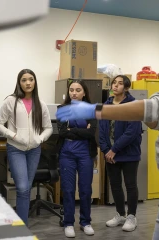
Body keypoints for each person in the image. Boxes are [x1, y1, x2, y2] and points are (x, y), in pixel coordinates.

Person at [56, 14, 159, 240]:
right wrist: (144, 113)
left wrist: (93, 110)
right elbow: (158, 119)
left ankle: (127, 215)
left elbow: (157, 107)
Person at [0, 69, 53, 226]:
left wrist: (40, 139)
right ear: (19, 83)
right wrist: (13, 135)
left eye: (31, 79)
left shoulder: (40, 104)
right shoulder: (10, 101)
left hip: (34, 150)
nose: (28, 83)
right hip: (16, 149)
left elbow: (48, 128)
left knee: (26, 188)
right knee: (22, 188)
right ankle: (22, 227)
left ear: (35, 82)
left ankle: (23, 225)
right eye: (24, 80)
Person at [99, 75, 142, 232]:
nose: (115, 86)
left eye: (119, 83)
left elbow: (132, 131)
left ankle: (132, 217)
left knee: (130, 185)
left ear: (126, 88)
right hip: (110, 154)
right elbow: (101, 130)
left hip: (128, 153)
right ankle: (120, 214)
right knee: (115, 185)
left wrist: (114, 149)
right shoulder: (106, 105)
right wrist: (106, 150)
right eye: (114, 83)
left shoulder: (133, 104)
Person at [57, 79, 98, 237]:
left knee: (86, 189)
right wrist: (81, 130)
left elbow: (91, 133)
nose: (74, 93)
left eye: (78, 90)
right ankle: (68, 223)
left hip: (85, 153)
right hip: (66, 152)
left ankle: (85, 222)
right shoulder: (62, 109)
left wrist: (71, 129)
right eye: (71, 90)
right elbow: (62, 132)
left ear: (84, 93)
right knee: (68, 189)